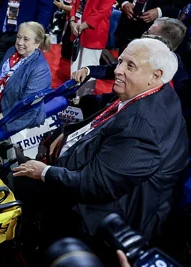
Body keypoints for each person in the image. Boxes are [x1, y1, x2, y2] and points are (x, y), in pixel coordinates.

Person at [12, 38, 189, 243]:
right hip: (99, 168)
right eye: (120, 61)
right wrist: (68, 132)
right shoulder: (151, 89)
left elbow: (96, 184)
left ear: (155, 75)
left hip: (104, 213)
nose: (118, 70)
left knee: (19, 182)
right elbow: (104, 118)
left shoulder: (142, 127)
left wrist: (44, 172)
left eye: (130, 66)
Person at [71, 18, 188, 118]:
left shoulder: (176, 86)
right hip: (114, 103)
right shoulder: (142, 55)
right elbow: (112, 70)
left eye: (147, 32)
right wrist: (88, 70)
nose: (118, 70)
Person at [69, 0, 116, 96]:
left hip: (94, 34)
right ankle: (72, 96)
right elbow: (75, 4)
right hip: (77, 30)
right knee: (74, 65)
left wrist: (82, 26)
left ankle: (84, 99)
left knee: (89, 68)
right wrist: (72, 21)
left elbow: (102, 12)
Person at [0, 0, 54, 67]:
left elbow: (45, 9)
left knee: (22, 67)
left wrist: (38, 31)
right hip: (2, 31)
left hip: (27, 33)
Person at [115, 0, 188, 54]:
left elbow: (180, 3)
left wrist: (159, 11)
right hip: (127, 23)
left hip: (155, 27)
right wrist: (124, 2)